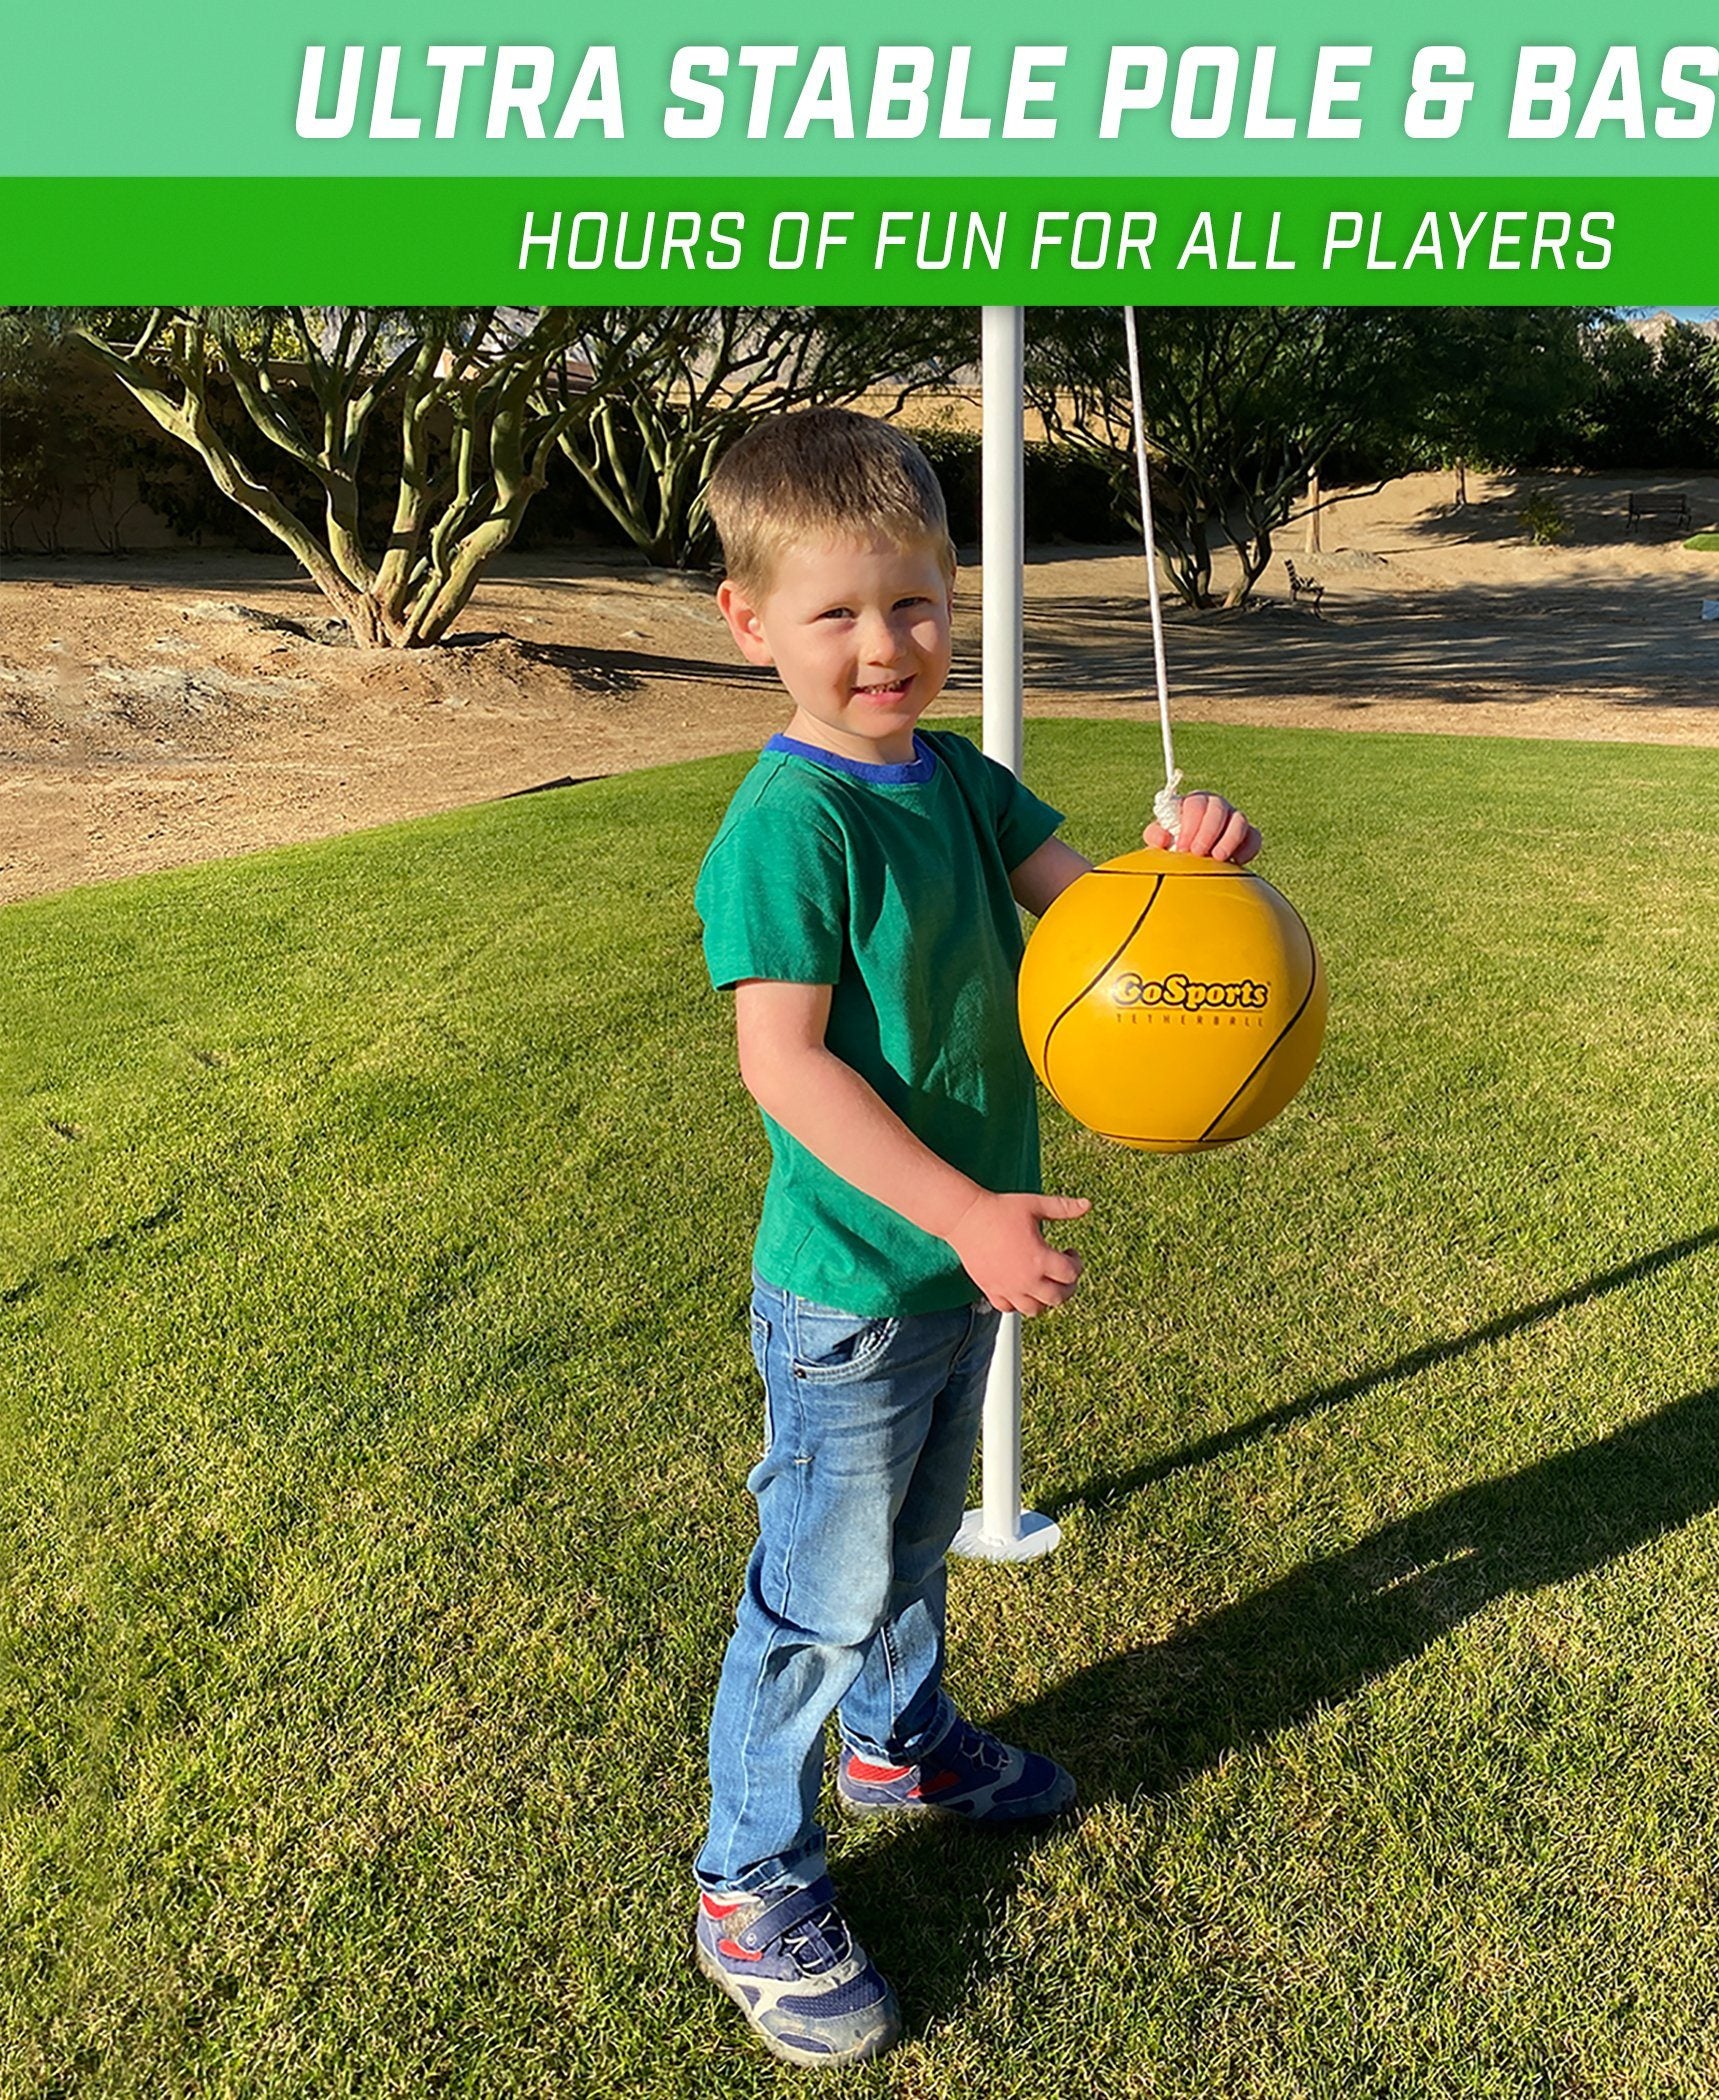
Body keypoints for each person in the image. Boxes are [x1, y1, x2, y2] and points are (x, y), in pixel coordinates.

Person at [690, 407, 1259, 2067]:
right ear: (751, 624)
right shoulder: (793, 827)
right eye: (837, 614)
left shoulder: (961, 774)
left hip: (955, 1272)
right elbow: (780, 1062)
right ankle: (749, 1876)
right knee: (819, 1587)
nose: (887, 647)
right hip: (858, 1289)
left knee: (915, 1545)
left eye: (919, 606)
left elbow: (1099, 922)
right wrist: (954, 1208)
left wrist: (1190, 867)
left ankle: (897, 1742)